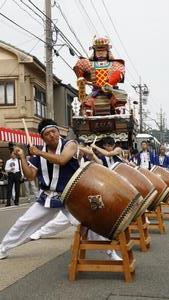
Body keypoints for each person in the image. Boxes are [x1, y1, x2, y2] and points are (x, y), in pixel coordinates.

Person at [0, 118, 82, 259]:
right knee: (23, 222)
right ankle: (3, 249)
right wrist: (22, 158)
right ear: (42, 138)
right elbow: (30, 176)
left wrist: (38, 153)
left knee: (87, 224)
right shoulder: (39, 153)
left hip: (71, 196)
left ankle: (110, 252)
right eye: (47, 133)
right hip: (48, 197)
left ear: (58, 132)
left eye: (54, 131)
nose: (52, 135)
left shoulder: (70, 145)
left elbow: (62, 160)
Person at [29, 141, 121, 260]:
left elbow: (91, 154)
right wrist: (81, 147)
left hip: (78, 194)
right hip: (67, 193)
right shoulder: (69, 153)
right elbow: (66, 157)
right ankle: (40, 232)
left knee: (88, 222)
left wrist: (89, 148)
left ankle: (109, 251)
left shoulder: (91, 157)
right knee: (61, 222)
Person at [73, 37, 126, 115]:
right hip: (96, 91)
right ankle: (88, 119)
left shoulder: (114, 64)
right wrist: (80, 77)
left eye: (103, 51)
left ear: (107, 51)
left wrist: (109, 83)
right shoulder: (90, 64)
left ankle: (119, 116)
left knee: (119, 101)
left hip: (111, 90)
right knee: (86, 104)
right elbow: (78, 66)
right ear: (94, 52)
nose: (100, 53)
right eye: (98, 51)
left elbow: (119, 73)